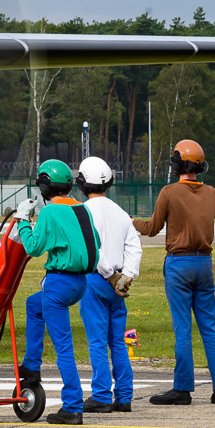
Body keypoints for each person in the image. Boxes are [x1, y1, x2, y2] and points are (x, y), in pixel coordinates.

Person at [133, 139, 215, 406]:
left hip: (179, 264)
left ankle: (183, 389)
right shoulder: (213, 193)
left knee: (183, 328)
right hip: (204, 264)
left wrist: (130, 221)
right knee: (209, 327)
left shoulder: (169, 193)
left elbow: (152, 228)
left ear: (177, 164)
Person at [14, 160, 102, 425]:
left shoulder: (51, 212)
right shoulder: (82, 209)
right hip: (80, 284)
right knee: (33, 304)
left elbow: (33, 247)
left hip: (59, 284)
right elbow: (95, 242)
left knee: (64, 348)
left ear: (44, 185)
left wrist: (22, 220)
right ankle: (31, 365)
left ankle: (73, 406)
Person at [74, 157, 143, 413]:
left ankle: (101, 395)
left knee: (97, 341)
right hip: (118, 286)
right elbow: (134, 247)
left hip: (95, 280)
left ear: (81, 183)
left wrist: (108, 273)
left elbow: (93, 247)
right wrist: (126, 276)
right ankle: (124, 396)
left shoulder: (84, 211)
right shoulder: (120, 212)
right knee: (117, 342)